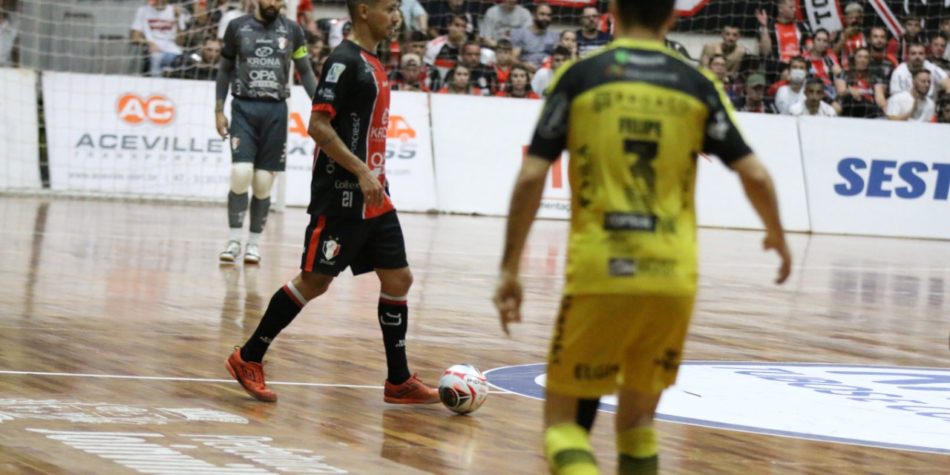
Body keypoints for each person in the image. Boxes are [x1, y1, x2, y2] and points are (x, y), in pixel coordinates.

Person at [493, 2, 791, 475]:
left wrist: (509, 268)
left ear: (613, 10)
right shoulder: (697, 83)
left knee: (563, 428)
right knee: (636, 425)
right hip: (672, 276)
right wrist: (777, 234)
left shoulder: (581, 76)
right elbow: (756, 174)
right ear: (672, 17)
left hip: (600, 271)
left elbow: (532, 177)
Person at [225, 0, 440, 405]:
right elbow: (318, 125)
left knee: (399, 279)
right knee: (314, 281)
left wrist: (371, 177)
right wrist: (360, 171)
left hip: (376, 195)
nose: (396, 16)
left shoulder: (374, 61)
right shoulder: (344, 61)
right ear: (363, 10)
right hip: (342, 195)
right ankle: (247, 356)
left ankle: (398, 380)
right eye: (390, 8)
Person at [214, 0, 318, 264]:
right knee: (241, 173)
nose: (274, 3)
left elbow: (305, 71)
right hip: (243, 107)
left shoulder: (293, 30)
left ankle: (254, 244)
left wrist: (321, 105)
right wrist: (218, 109)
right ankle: (234, 240)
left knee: (262, 181)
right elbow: (225, 68)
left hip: (276, 111)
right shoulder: (237, 27)